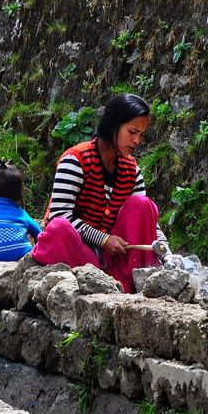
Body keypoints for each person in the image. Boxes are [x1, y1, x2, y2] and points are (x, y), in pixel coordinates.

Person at [31, 94, 169, 292]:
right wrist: (102, 239)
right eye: (132, 132)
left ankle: (129, 281)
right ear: (113, 125)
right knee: (59, 228)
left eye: (142, 135)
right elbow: (58, 215)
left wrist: (165, 252)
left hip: (112, 261)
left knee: (143, 205)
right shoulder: (75, 160)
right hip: (77, 252)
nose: (137, 140)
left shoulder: (131, 169)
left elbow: (149, 224)